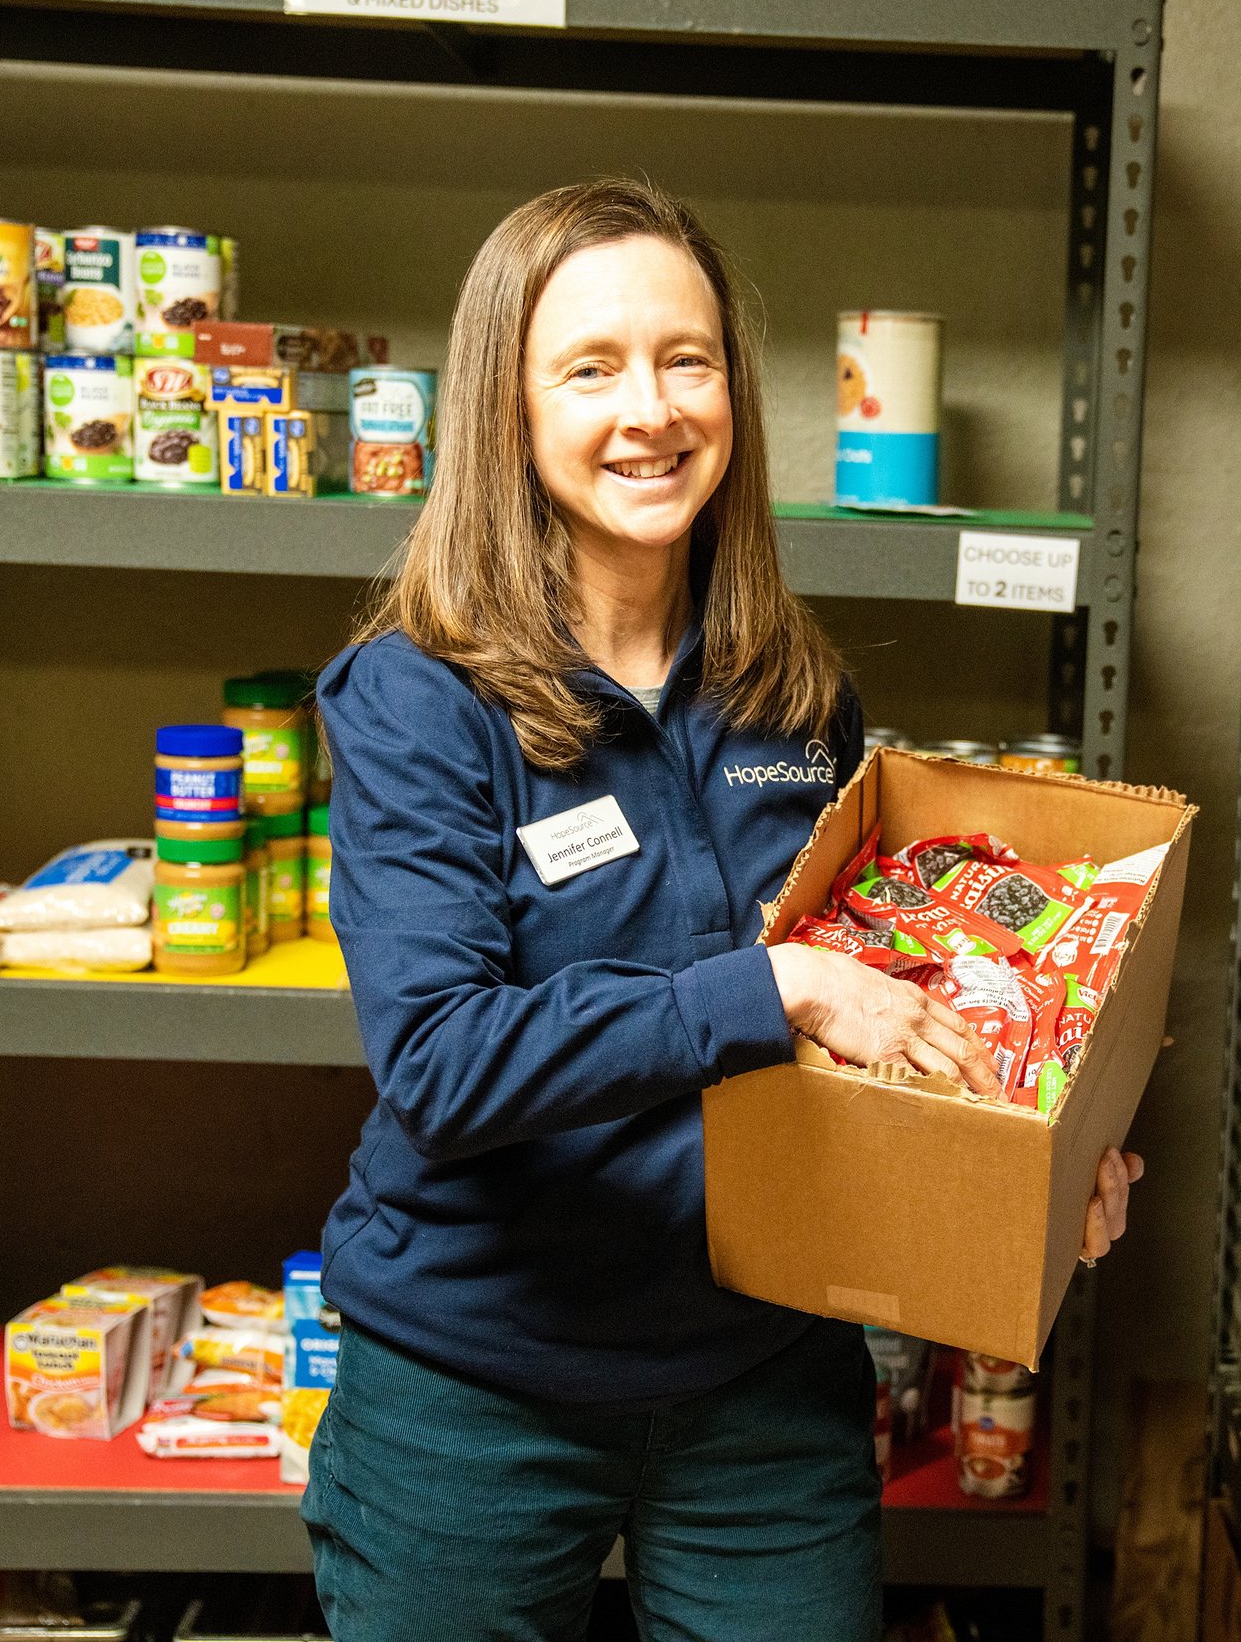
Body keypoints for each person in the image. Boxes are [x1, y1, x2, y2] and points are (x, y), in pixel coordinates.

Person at [300, 177, 1145, 1642]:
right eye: (591, 366)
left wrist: (1027, 1158)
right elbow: (439, 1059)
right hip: (476, 1387)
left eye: (686, 359)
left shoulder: (798, 694)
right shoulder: (418, 698)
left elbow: (881, 1007)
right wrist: (776, 993)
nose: (651, 408)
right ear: (506, 408)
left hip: (760, 1381)